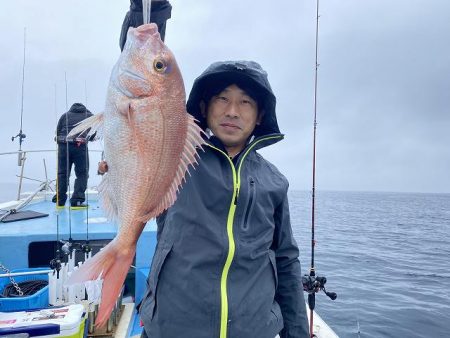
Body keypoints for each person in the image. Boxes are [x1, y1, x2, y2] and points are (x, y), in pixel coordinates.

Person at [99, 1, 310, 337]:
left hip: (254, 329)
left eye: (246, 102)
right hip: (174, 326)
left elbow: (285, 260)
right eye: (222, 99)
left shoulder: (274, 181)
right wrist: (147, 14)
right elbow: (149, 86)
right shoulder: (182, 158)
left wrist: (297, 333)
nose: (233, 111)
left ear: (260, 116)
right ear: (204, 106)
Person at [52, 103, 94, 207]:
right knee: (82, 174)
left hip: (63, 145)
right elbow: (93, 135)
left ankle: (60, 200)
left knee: (62, 173)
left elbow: (57, 132)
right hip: (80, 146)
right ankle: (77, 201)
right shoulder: (89, 116)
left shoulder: (65, 115)